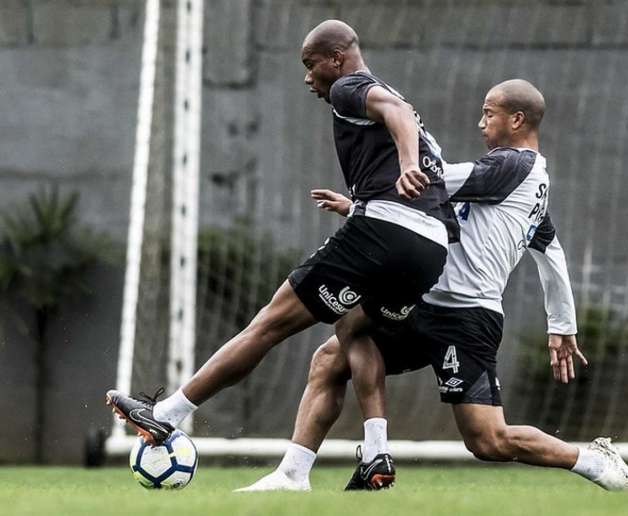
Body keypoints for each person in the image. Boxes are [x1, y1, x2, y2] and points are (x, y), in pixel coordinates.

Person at [234, 79, 628, 493]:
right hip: (422, 303)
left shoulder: (512, 166)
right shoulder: (524, 182)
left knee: (489, 441)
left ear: (517, 119)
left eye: (489, 113)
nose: (479, 122)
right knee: (333, 354)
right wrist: (561, 325)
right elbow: (550, 252)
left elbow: (428, 182)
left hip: (466, 318)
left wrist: (366, 199)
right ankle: (297, 473)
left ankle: (593, 461)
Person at [106, 19, 458, 486]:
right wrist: (360, 203)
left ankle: (166, 413)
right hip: (429, 250)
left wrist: (404, 169)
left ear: (337, 58)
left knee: (268, 324)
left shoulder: (350, 86)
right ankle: (366, 454)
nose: (308, 78)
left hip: (382, 231)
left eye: (311, 66)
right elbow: (409, 138)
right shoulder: (393, 103)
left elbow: (396, 112)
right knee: (352, 330)